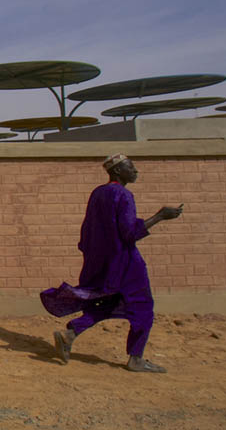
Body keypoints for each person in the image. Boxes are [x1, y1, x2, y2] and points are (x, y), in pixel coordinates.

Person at [42, 154, 183, 373]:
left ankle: (71, 333)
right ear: (117, 171)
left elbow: (87, 229)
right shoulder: (123, 195)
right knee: (143, 308)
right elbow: (129, 233)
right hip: (126, 264)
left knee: (109, 304)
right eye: (131, 167)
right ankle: (136, 359)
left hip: (103, 263)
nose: (135, 171)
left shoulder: (98, 193)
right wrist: (160, 216)